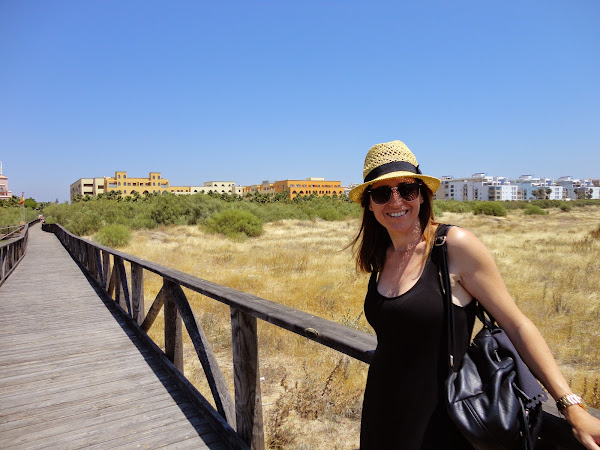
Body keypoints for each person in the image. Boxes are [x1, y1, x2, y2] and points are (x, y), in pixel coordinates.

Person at [348, 140, 600, 449]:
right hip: (382, 411)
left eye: (407, 189)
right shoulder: (381, 255)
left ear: (423, 195)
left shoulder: (453, 245)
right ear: (369, 204)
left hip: (440, 421)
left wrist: (571, 405)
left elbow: (516, 324)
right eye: (382, 193)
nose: (396, 200)